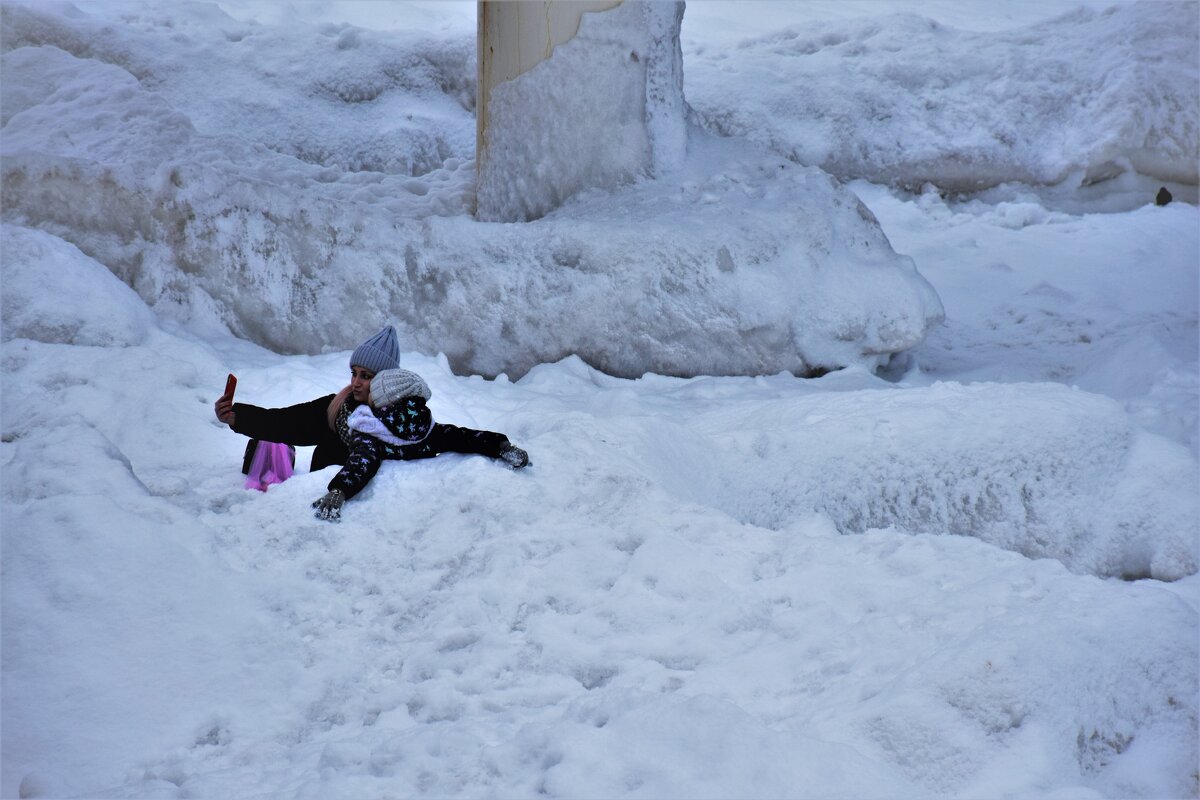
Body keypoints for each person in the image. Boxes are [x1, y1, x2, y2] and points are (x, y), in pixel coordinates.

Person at [214, 326, 529, 520]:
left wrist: (499, 445)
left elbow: (452, 436)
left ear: (386, 380)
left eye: (366, 376)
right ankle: (275, 463)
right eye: (354, 373)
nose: (356, 382)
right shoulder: (338, 407)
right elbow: (285, 422)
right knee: (275, 440)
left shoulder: (396, 424)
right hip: (312, 506)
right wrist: (237, 416)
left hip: (349, 516)